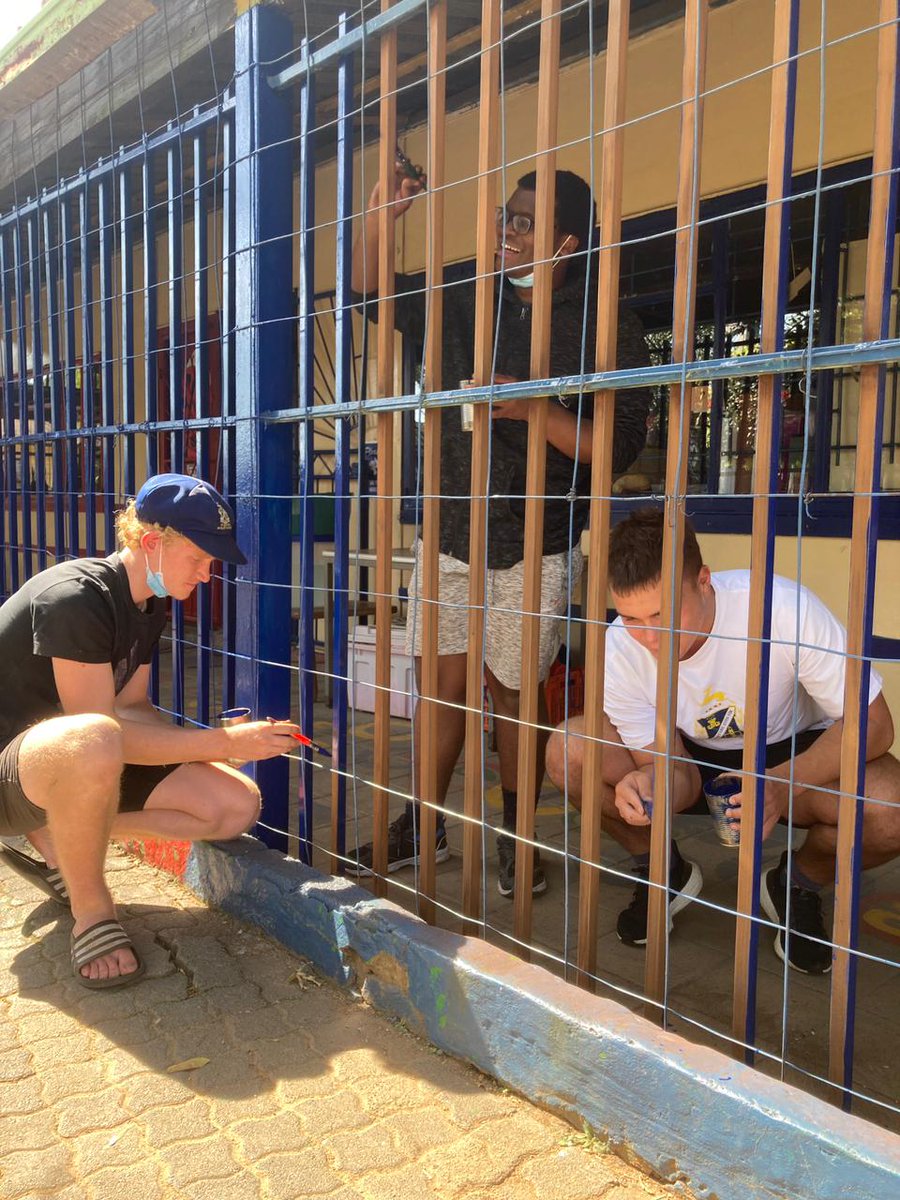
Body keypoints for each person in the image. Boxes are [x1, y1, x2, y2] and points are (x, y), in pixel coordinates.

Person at [347, 156, 652, 895]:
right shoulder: (465, 300)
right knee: (440, 686)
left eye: (524, 224)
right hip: (450, 536)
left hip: (533, 543)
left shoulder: (602, 320)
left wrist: (535, 410)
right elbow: (370, 295)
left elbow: (622, 446)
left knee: (515, 695)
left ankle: (519, 840)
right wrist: (379, 220)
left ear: (566, 245)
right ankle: (422, 822)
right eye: (504, 219)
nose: (506, 234)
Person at [545, 507, 900, 974]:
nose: (650, 637)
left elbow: (874, 723)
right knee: (569, 749)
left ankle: (798, 884)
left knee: (889, 808)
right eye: (631, 617)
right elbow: (674, 773)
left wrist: (779, 783)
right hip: (691, 756)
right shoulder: (620, 646)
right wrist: (646, 785)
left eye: (662, 613)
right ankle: (660, 871)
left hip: (796, 750)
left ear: (705, 580)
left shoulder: (779, 608)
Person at [0, 473, 302, 989]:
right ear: (152, 543)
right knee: (92, 736)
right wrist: (222, 742)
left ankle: (60, 835)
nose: (208, 574)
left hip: (74, 767)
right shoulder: (77, 597)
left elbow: (133, 707)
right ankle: (93, 913)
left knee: (234, 806)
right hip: (14, 774)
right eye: (199, 557)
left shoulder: (147, 602)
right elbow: (98, 732)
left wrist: (208, 755)